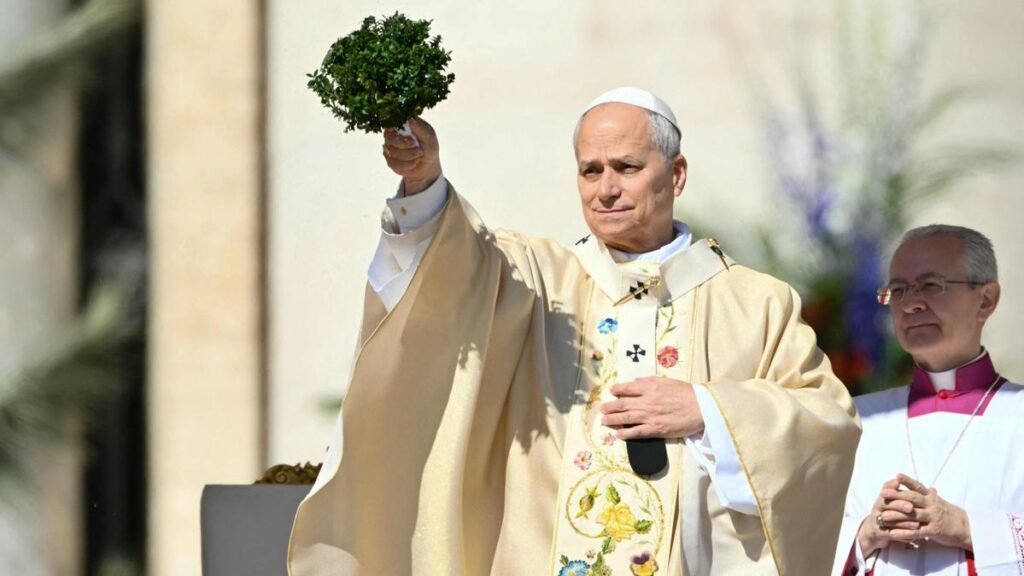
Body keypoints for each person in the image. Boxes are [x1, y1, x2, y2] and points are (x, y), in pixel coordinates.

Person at [289, 87, 860, 575]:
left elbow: (828, 423)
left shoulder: (755, 303)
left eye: (626, 168)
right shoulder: (538, 282)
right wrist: (424, 182)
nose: (605, 189)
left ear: (677, 174)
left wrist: (708, 411)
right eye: (591, 170)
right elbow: (454, 269)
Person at [833, 225, 1024, 575]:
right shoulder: (853, 419)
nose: (910, 304)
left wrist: (964, 527)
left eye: (931, 285)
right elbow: (797, 538)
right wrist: (865, 534)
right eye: (898, 290)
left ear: (986, 300)